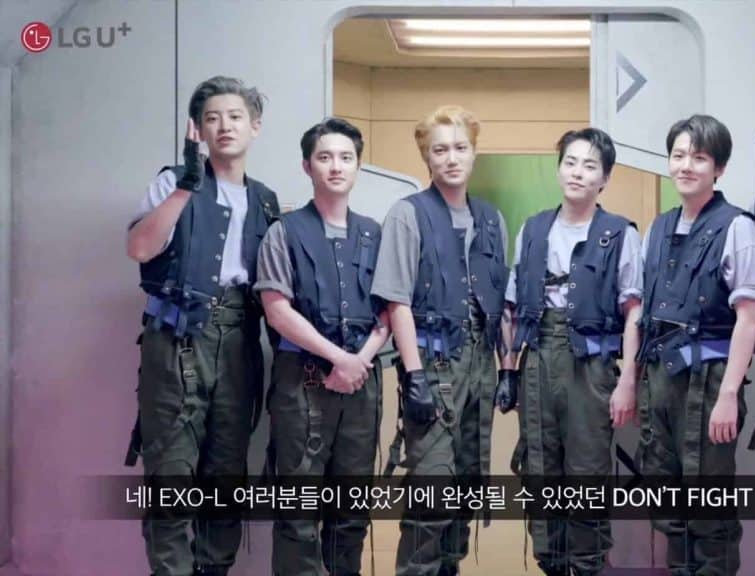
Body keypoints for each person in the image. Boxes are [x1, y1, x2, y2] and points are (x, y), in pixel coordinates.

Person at [125, 76, 280, 576]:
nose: (224, 126)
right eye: (212, 118)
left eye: (235, 116)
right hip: (177, 338)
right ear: (198, 129)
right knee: (171, 474)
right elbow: (139, 248)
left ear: (255, 126)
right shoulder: (173, 180)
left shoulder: (266, 200)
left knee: (226, 475)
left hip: (239, 341)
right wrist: (187, 185)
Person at [371, 105, 509, 576]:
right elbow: (397, 300)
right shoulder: (408, 215)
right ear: (426, 158)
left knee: (467, 486)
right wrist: (413, 376)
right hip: (431, 364)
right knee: (432, 493)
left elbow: (498, 300)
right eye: (440, 150)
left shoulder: (491, 219)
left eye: (460, 148)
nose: (451, 158)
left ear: (474, 153)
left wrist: (507, 368)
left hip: (480, 365)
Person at [499, 127, 642, 576]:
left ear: (605, 178)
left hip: (592, 364)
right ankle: (552, 564)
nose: (578, 172)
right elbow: (511, 307)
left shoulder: (620, 233)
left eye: (590, 165)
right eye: (570, 162)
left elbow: (634, 312)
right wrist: (508, 370)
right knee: (539, 468)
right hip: (538, 358)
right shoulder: (533, 228)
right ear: (559, 168)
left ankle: (587, 565)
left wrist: (627, 381)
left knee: (586, 472)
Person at [254, 117, 390, 576]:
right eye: (325, 157)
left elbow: (389, 311)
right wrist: (338, 359)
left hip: (361, 385)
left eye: (346, 158)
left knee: (351, 510)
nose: (336, 166)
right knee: (298, 512)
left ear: (358, 166)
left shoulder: (375, 234)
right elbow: (277, 310)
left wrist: (358, 362)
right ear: (307, 166)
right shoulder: (284, 232)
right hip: (302, 384)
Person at [635, 114, 755, 575]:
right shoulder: (657, 229)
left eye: (699, 157)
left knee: (709, 508)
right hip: (660, 380)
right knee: (668, 505)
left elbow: (749, 318)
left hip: (709, 384)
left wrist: (728, 395)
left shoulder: (739, 228)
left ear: (719, 168)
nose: (685, 166)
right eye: (678, 155)